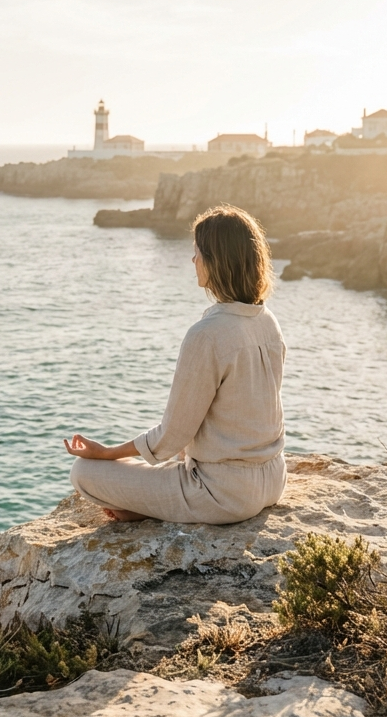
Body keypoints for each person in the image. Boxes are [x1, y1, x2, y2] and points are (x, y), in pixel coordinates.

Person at [63, 205, 287, 524]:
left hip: (222, 495)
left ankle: (144, 510)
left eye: (197, 253)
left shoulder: (206, 335)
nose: (192, 260)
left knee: (84, 471)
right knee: (177, 461)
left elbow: (171, 437)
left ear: (215, 262)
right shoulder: (268, 322)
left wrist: (105, 453)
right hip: (273, 479)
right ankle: (149, 504)